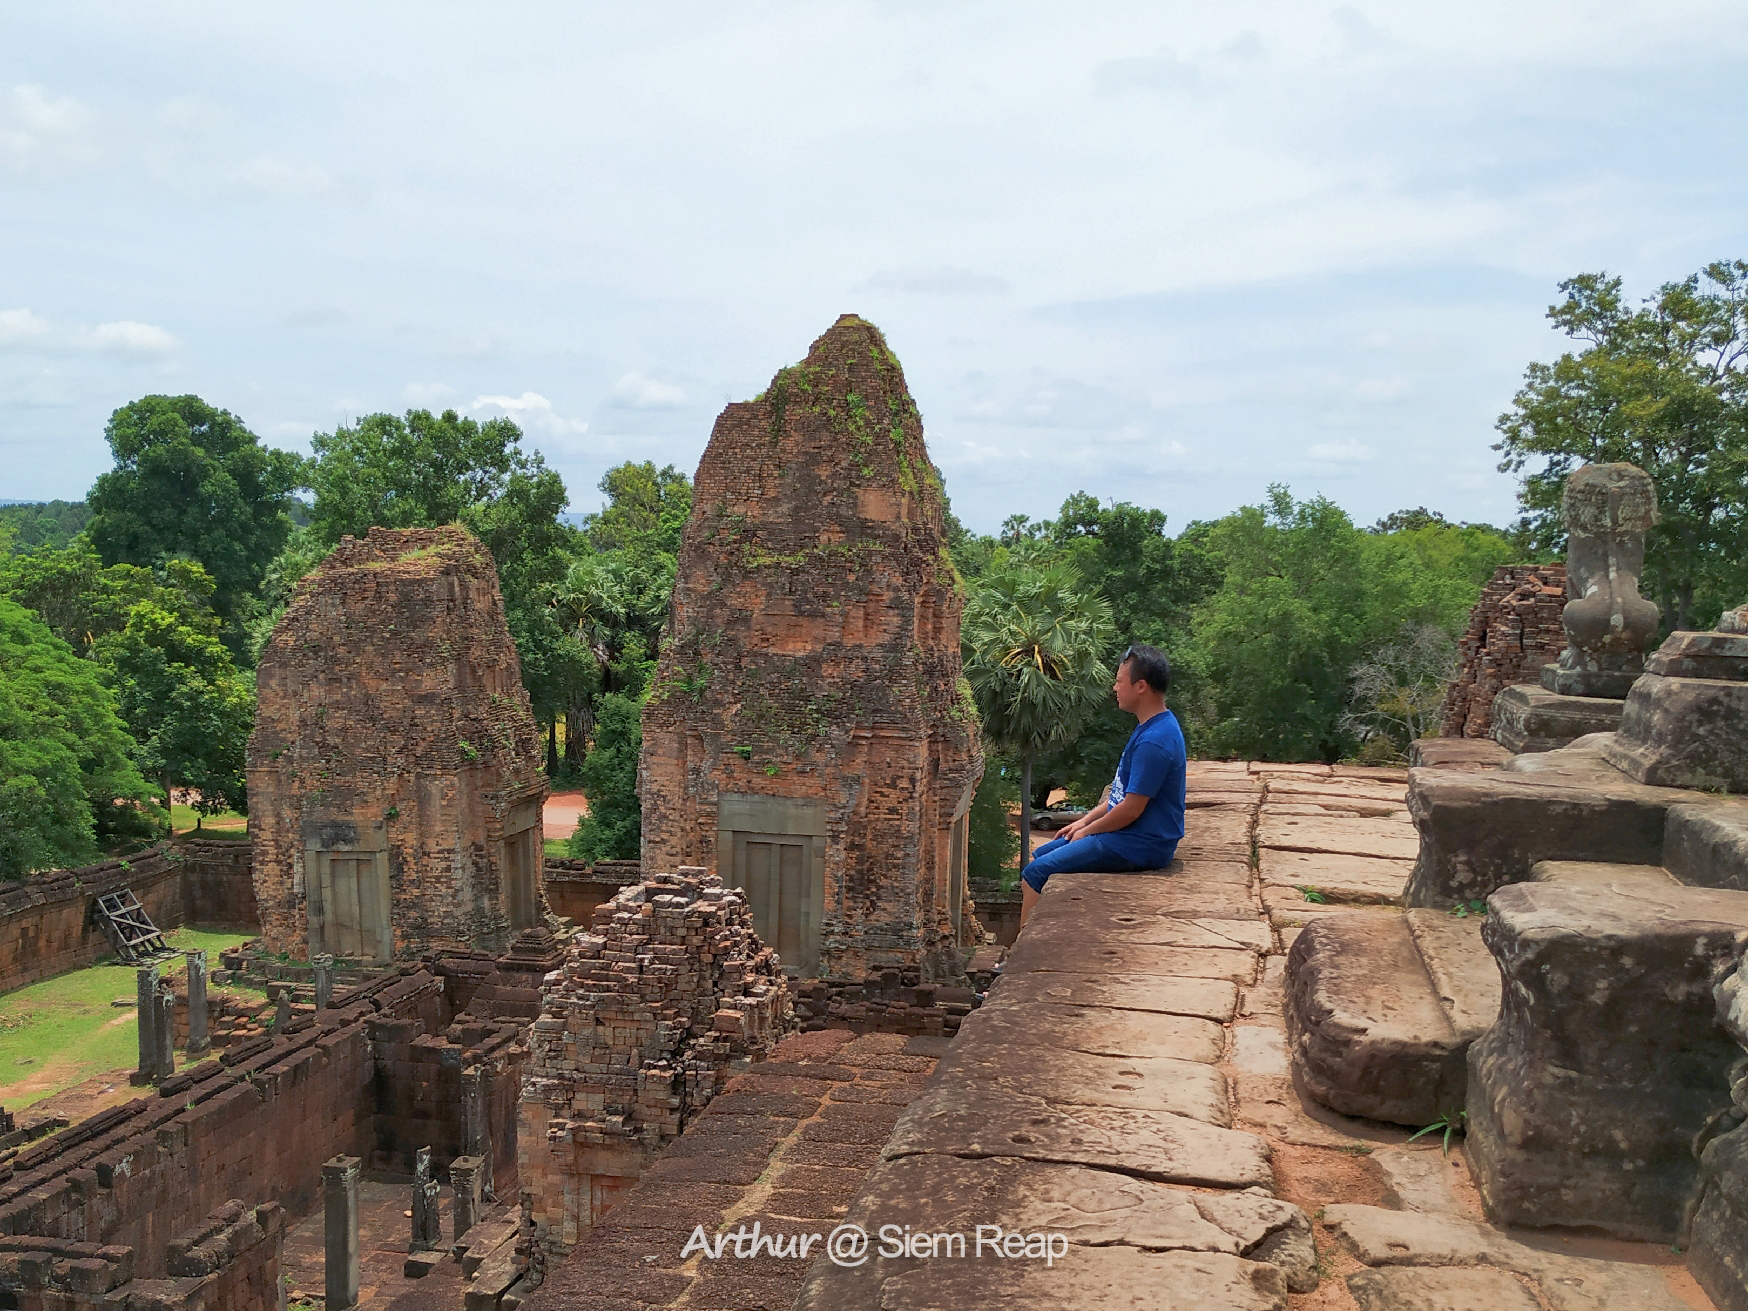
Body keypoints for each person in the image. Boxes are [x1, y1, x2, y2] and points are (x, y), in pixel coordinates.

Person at [1019, 643, 1186, 927]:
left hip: (1141, 843)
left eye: (1120, 681)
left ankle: (1016, 960)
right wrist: (1082, 822)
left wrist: (1089, 831)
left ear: (1141, 686)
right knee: (1042, 852)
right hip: (1129, 835)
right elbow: (1119, 797)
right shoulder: (1149, 728)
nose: (1114, 688)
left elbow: (1131, 810)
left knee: (1036, 872)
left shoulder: (1155, 740)